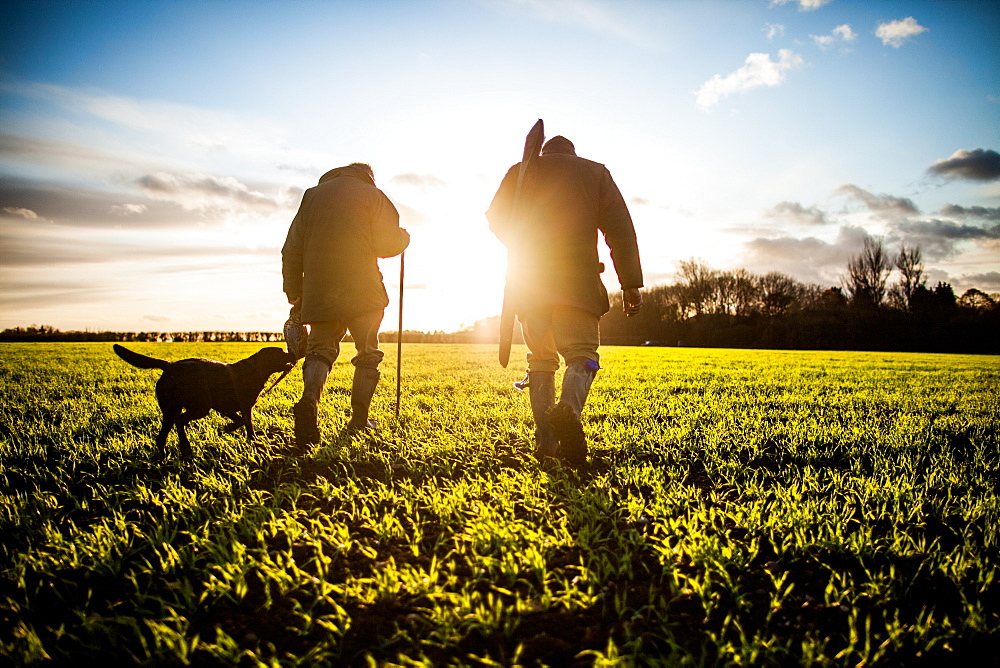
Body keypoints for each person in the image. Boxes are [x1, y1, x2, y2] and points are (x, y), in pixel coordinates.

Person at [486, 135, 643, 466]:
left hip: (532, 283)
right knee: (582, 355)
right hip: (578, 283)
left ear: (546, 151)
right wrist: (629, 283)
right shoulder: (595, 173)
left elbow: (495, 217)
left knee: (540, 360)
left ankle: (546, 443)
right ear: (573, 151)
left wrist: (521, 242)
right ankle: (569, 409)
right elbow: (620, 229)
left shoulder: (521, 170)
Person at [282, 162, 409, 448]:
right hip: (363, 288)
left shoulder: (311, 196)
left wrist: (294, 290)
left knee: (319, 351)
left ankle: (309, 401)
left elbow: (291, 247)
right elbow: (387, 244)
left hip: (319, 289)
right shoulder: (375, 196)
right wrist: (403, 238)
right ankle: (359, 421)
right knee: (367, 352)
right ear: (368, 177)